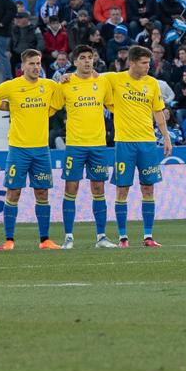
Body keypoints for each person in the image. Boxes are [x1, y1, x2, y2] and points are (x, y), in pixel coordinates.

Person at [0, 48, 63, 249]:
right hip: (18, 149)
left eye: (38, 63)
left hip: (41, 149)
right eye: (32, 63)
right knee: (13, 192)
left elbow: (56, 105)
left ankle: (45, 239)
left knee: (42, 193)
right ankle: (9, 240)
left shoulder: (49, 85)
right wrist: (6, 106)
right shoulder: (12, 86)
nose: (36, 67)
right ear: (22, 67)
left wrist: (65, 82)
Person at [103, 45, 174, 247]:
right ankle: (123, 237)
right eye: (144, 62)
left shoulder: (152, 83)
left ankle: (148, 236)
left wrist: (166, 137)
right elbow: (91, 76)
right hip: (124, 143)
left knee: (148, 188)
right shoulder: (114, 78)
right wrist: (66, 78)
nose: (148, 66)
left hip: (148, 143)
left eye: (148, 62)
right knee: (122, 189)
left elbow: (158, 111)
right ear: (132, 62)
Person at [57, 45, 116, 247]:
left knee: (99, 188)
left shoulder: (102, 82)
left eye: (90, 57)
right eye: (82, 58)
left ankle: (101, 237)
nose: (87, 61)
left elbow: (113, 105)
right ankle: (68, 237)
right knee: (71, 187)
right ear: (75, 62)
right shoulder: (66, 83)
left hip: (98, 145)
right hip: (75, 145)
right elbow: (52, 105)